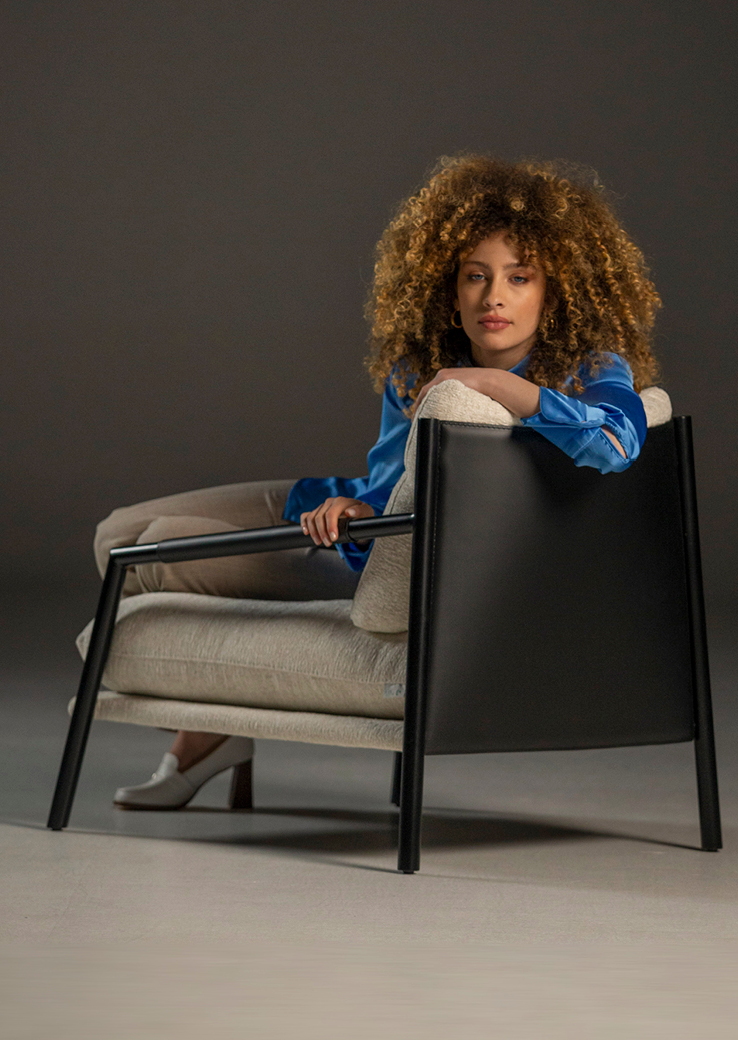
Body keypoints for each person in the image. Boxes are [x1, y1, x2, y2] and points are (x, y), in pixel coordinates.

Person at [99, 155, 661, 808]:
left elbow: (617, 443)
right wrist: (357, 510)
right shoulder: (419, 370)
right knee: (113, 534)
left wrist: (497, 385)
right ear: (449, 287)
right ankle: (212, 735)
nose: (493, 297)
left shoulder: (590, 368)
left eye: (519, 277)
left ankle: (203, 740)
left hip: (361, 566)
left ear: (553, 290)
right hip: (339, 520)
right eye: (474, 275)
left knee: (152, 548)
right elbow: (390, 483)